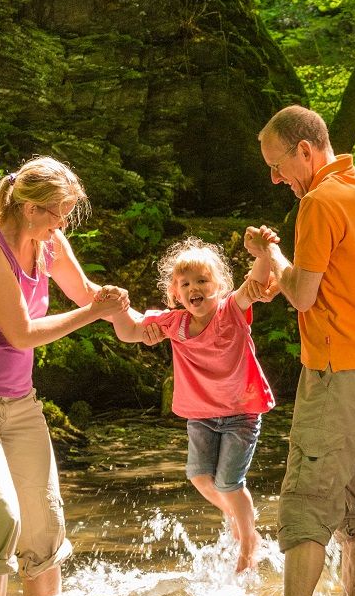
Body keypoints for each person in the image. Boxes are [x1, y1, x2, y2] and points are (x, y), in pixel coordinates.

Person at [0, 156, 127, 596]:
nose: (63, 223)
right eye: (59, 212)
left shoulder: (50, 243)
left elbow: (87, 294)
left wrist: (141, 321)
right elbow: (21, 334)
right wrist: (95, 314)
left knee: (43, 521)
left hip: (20, 403)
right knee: (1, 517)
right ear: (30, 208)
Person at [246, 105, 355, 596]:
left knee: (305, 506)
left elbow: (304, 294)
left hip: (336, 374)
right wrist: (284, 276)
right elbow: (331, 278)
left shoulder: (318, 201)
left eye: (277, 165)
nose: (275, 177)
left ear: (305, 150)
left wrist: (271, 254)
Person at [112, 236, 277, 572]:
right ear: (175, 293)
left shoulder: (231, 311)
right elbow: (129, 331)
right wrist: (113, 308)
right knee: (200, 478)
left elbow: (255, 285)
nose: (193, 288)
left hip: (241, 413)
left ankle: (248, 543)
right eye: (185, 284)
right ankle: (238, 518)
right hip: (201, 416)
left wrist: (263, 254)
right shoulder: (174, 324)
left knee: (229, 483)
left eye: (202, 280)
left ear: (219, 286)